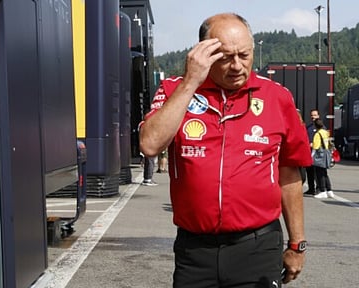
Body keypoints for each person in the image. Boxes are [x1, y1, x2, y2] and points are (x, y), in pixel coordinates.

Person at [139, 13, 312, 287]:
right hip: (195, 250)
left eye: (244, 55)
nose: (237, 66)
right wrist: (191, 82)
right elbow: (150, 145)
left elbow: (289, 174)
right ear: (203, 54)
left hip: (257, 247)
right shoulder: (176, 90)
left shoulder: (277, 98)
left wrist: (297, 243)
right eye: (225, 57)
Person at [311, 119, 334, 199]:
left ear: (315, 126)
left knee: (319, 173)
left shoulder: (317, 134)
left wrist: (311, 156)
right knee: (325, 173)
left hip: (319, 155)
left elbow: (315, 147)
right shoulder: (325, 132)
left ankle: (322, 190)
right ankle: (329, 190)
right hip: (326, 153)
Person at [304, 109, 321, 195]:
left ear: (318, 116)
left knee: (316, 172)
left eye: (314, 115)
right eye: (312, 115)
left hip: (317, 153)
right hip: (309, 152)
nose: (313, 117)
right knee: (309, 171)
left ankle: (319, 188)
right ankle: (311, 189)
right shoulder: (308, 127)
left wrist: (313, 144)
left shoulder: (321, 127)